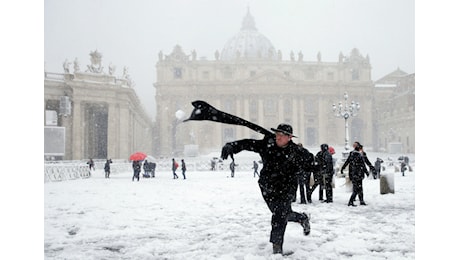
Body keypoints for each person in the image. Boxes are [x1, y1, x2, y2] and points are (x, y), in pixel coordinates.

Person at [221, 123, 313, 255]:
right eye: (277, 135)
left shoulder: (297, 152)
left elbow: (312, 163)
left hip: (286, 188)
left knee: (279, 215)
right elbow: (249, 143)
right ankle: (302, 218)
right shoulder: (267, 145)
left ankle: (277, 249)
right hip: (267, 187)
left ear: (289, 137)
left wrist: (313, 165)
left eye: (281, 135)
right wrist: (232, 146)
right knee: (283, 214)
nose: (278, 138)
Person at [341, 142, 373, 206]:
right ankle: (352, 201)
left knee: (357, 188)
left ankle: (360, 201)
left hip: (353, 174)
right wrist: (366, 172)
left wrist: (342, 168)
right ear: (359, 149)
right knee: (358, 189)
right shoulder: (359, 155)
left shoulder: (352, 154)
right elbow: (363, 165)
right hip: (359, 174)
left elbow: (347, 161)